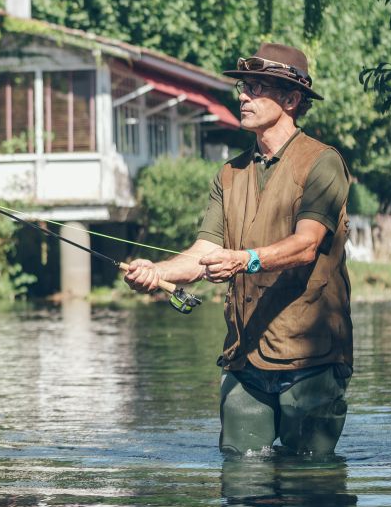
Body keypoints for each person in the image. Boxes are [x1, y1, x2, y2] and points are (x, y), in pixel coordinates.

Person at [122, 42, 352, 455]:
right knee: (241, 477)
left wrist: (245, 260)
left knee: (310, 482)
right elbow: (204, 251)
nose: (244, 96)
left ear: (291, 99)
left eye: (257, 88)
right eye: (243, 87)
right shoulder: (229, 174)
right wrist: (157, 272)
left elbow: (307, 244)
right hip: (244, 359)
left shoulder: (323, 162)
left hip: (311, 359)